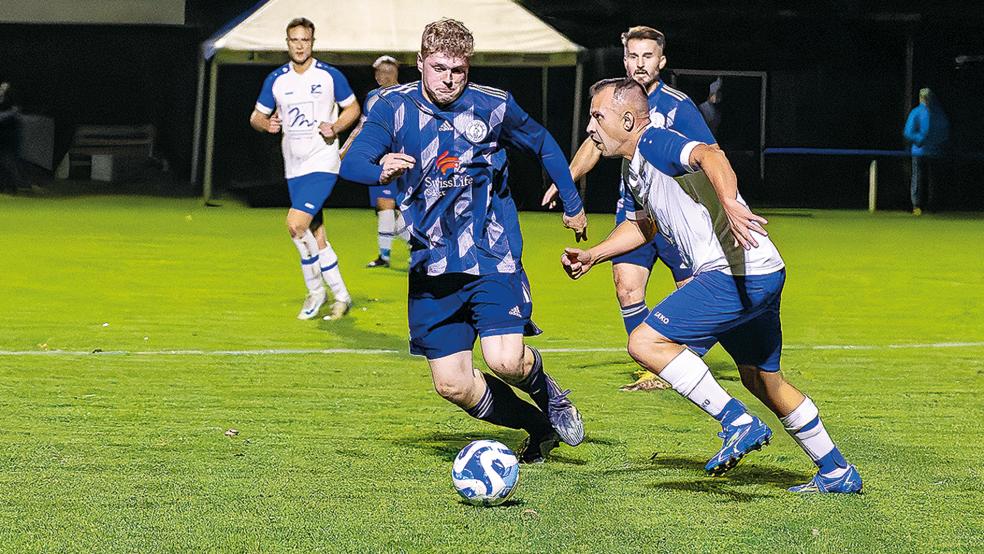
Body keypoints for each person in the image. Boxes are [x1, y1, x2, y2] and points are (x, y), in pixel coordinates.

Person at [562, 78, 862, 493]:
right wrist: (595, 254)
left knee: (644, 343)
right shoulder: (634, 168)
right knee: (761, 379)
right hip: (761, 271)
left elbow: (710, 154)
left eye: (597, 117)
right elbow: (642, 226)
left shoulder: (654, 143)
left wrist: (731, 204)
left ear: (628, 119)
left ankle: (737, 422)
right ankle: (836, 470)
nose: (591, 129)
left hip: (734, 273)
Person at [340, 18, 588, 463]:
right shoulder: (390, 107)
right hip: (432, 264)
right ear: (419, 63)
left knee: (505, 360)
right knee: (452, 384)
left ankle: (548, 394)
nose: (449, 79)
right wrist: (378, 170)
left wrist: (572, 202)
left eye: (459, 69)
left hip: (492, 255)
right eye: (439, 68)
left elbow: (544, 144)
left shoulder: (493, 106)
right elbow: (352, 160)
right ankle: (537, 426)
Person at [543, 26, 716, 390]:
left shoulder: (678, 106)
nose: (639, 64)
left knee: (693, 292)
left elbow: (710, 155)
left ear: (662, 60)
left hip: (674, 217)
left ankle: (681, 360)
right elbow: (593, 144)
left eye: (647, 56)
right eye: (633, 56)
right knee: (626, 286)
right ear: (625, 60)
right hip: (635, 213)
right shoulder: (614, 104)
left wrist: (721, 203)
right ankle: (655, 365)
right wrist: (567, 180)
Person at [249, 17, 360, 320]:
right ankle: (341, 296)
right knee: (315, 233)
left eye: (305, 40)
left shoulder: (329, 76)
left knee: (295, 224)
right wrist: (266, 124)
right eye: (294, 40)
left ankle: (316, 293)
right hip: (294, 165)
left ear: (312, 42)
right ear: (287, 43)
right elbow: (256, 117)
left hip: (322, 161)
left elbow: (353, 108)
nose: (300, 45)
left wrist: (335, 126)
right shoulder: (277, 79)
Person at [340, 55, 409, 268]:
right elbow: (362, 127)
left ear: (397, 73)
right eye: (381, 71)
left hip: (402, 159)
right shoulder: (373, 98)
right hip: (380, 159)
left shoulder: (408, 95)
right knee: (384, 207)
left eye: (389, 71)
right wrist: (344, 150)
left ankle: (414, 248)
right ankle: (391, 253)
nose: (384, 75)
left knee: (391, 206)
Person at [904, 87, 949, 215]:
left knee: (933, 180)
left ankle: (933, 205)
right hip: (920, 152)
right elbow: (908, 131)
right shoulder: (917, 112)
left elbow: (944, 132)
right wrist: (920, 139)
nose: (926, 100)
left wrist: (936, 142)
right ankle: (917, 205)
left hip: (935, 152)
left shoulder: (938, 113)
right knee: (918, 179)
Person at [0, 81, 23, 195]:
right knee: (4, 162)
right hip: (3, 135)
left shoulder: (13, 105)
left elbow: (14, 114)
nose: (1, 90)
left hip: (10, 136)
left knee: (9, 162)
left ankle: (13, 186)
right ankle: (4, 186)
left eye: (4, 88)